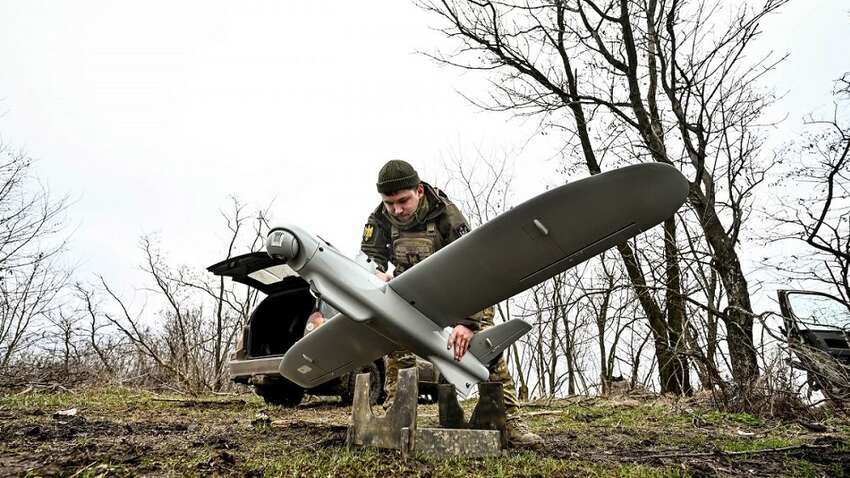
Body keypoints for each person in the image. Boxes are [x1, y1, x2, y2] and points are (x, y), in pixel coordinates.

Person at [359, 159, 542, 448]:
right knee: (397, 347)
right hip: (413, 294)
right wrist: (373, 278)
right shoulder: (380, 219)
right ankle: (397, 413)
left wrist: (467, 322)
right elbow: (368, 262)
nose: (396, 209)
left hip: (465, 292)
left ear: (419, 191)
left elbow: (474, 267)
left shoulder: (447, 215)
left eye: (403, 200)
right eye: (389, 202)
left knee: (486, 348)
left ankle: (510, 419)